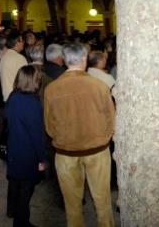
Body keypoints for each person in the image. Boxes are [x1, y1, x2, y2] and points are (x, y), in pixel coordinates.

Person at [44, 43, 115, 227]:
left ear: (66, 61)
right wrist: (104, 138)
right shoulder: (100, 86)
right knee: (102, 201)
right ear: (84, 59)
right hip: (97, 151)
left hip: (66, 153)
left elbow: (49, 126)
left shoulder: (52, 89)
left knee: (72, 205)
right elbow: (111, 119)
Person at [5, 65, 47, 227]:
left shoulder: (13, 96)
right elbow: (36, 135)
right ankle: (21, 223)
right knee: (25, 191)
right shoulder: (32, 103)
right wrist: (42, 159)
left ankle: (15, 215)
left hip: (14, 148)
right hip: (27, 152)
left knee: (16, 185)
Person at [0, 33, 28, 102]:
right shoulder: (19, 58)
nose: (23, 43)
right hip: (19, 98)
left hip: (7, 97)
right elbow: (27, 80)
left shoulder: (4, 57)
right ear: (17, 43)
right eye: (22, 41)